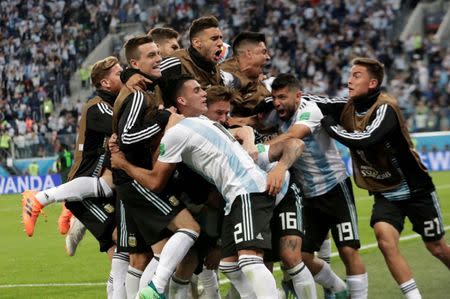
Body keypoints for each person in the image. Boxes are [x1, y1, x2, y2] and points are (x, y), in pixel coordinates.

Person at [110, 74, 305, 299]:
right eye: (196, 91)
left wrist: (122, 164)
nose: (204, 93)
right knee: (229, 264)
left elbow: (155, 181)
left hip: (249, 191)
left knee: (250, 260)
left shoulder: (200, 126)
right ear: (181, 101)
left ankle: (156, 287)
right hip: (238, 197)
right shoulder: (195, 127)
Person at [320, 57, 450, 299]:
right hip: (385, 193)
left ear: (372, 83)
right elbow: (317, 101)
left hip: (415, 190)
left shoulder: (386, 108)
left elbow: (366, 139)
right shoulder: (348, 105)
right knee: (385, 240)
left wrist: (331, 127)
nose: (348, 80)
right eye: (350, 74)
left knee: (437, 247)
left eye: (356, 75)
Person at [21, 56, 128, 298]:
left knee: (121, 247)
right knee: (122, 243)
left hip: (94, 186)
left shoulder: (113, 102)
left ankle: (66, 214)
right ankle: (40, 198)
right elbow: (124, 126)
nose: (124, 75)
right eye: (118, 72)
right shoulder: (97, 105)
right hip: (87, 185)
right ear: (105, 82)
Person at [112, 36, 200, 299]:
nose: (158, 58)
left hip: (134, 180)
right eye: (151, 55)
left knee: (160, 252)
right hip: (137, 181)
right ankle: (152, 293)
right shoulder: (138, 94)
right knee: (189, 228)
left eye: (157, 54)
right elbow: (127, 138)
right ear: (135, 62)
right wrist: (165, 117)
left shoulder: (144, 88)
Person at [266, 73, 368, 299]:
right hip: (309, 198)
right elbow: (257, 120)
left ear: (298, 96)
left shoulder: (309, 110)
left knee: (348, 250)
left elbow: (294, 135)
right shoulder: (277, 115)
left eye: (282, 97)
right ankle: (339, 287)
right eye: (274, 97)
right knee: (298, 255)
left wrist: (259, 149)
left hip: (335, 189)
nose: (277, 102)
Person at [219, 31, 272, 117]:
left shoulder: (258, 81)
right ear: (249, 53)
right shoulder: (225, 76)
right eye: (263, 52)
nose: (268, 57)